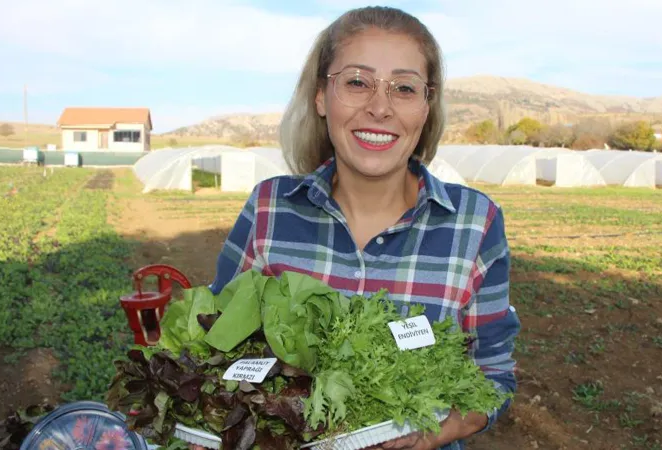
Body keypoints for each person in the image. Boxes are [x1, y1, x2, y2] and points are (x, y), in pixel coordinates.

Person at [190, 6, 520, 450]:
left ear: (426, 107)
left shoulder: (475, 225)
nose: (379, 107)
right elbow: (215, 346)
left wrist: (437, 432)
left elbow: (493, 376)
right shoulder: (269, 209)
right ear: (321, 97)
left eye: (404, 88)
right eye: (357, 82)